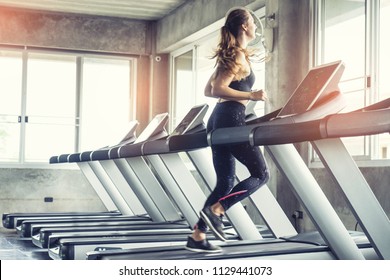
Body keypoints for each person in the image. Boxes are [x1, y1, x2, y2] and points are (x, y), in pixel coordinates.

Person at [185, 7, 270, 253]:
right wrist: (251, 94)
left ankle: (198, 236)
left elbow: (208, 90)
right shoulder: (236, 56)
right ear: (244, 26)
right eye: (253, 22)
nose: (255, 25)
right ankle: (218, 210)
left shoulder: (233, 54)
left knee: (225, 183)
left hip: (219, 118)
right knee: (261, 174)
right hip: (230, 116)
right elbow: (220, 88)